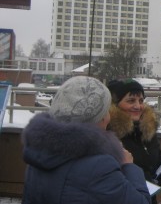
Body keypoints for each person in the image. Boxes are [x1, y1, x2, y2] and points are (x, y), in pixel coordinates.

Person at [21, 76, 152, 204]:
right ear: (99, 117)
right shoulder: (99, 166)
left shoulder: (39, 150)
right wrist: (129, 166)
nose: (109, 118)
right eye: (106, 111)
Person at [107, 79, 161, 204]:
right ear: (115, 105)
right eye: (131, 101)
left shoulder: (147, 131)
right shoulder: (108, 135)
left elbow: (157, 179)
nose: (138, 106)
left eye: (141, 101)